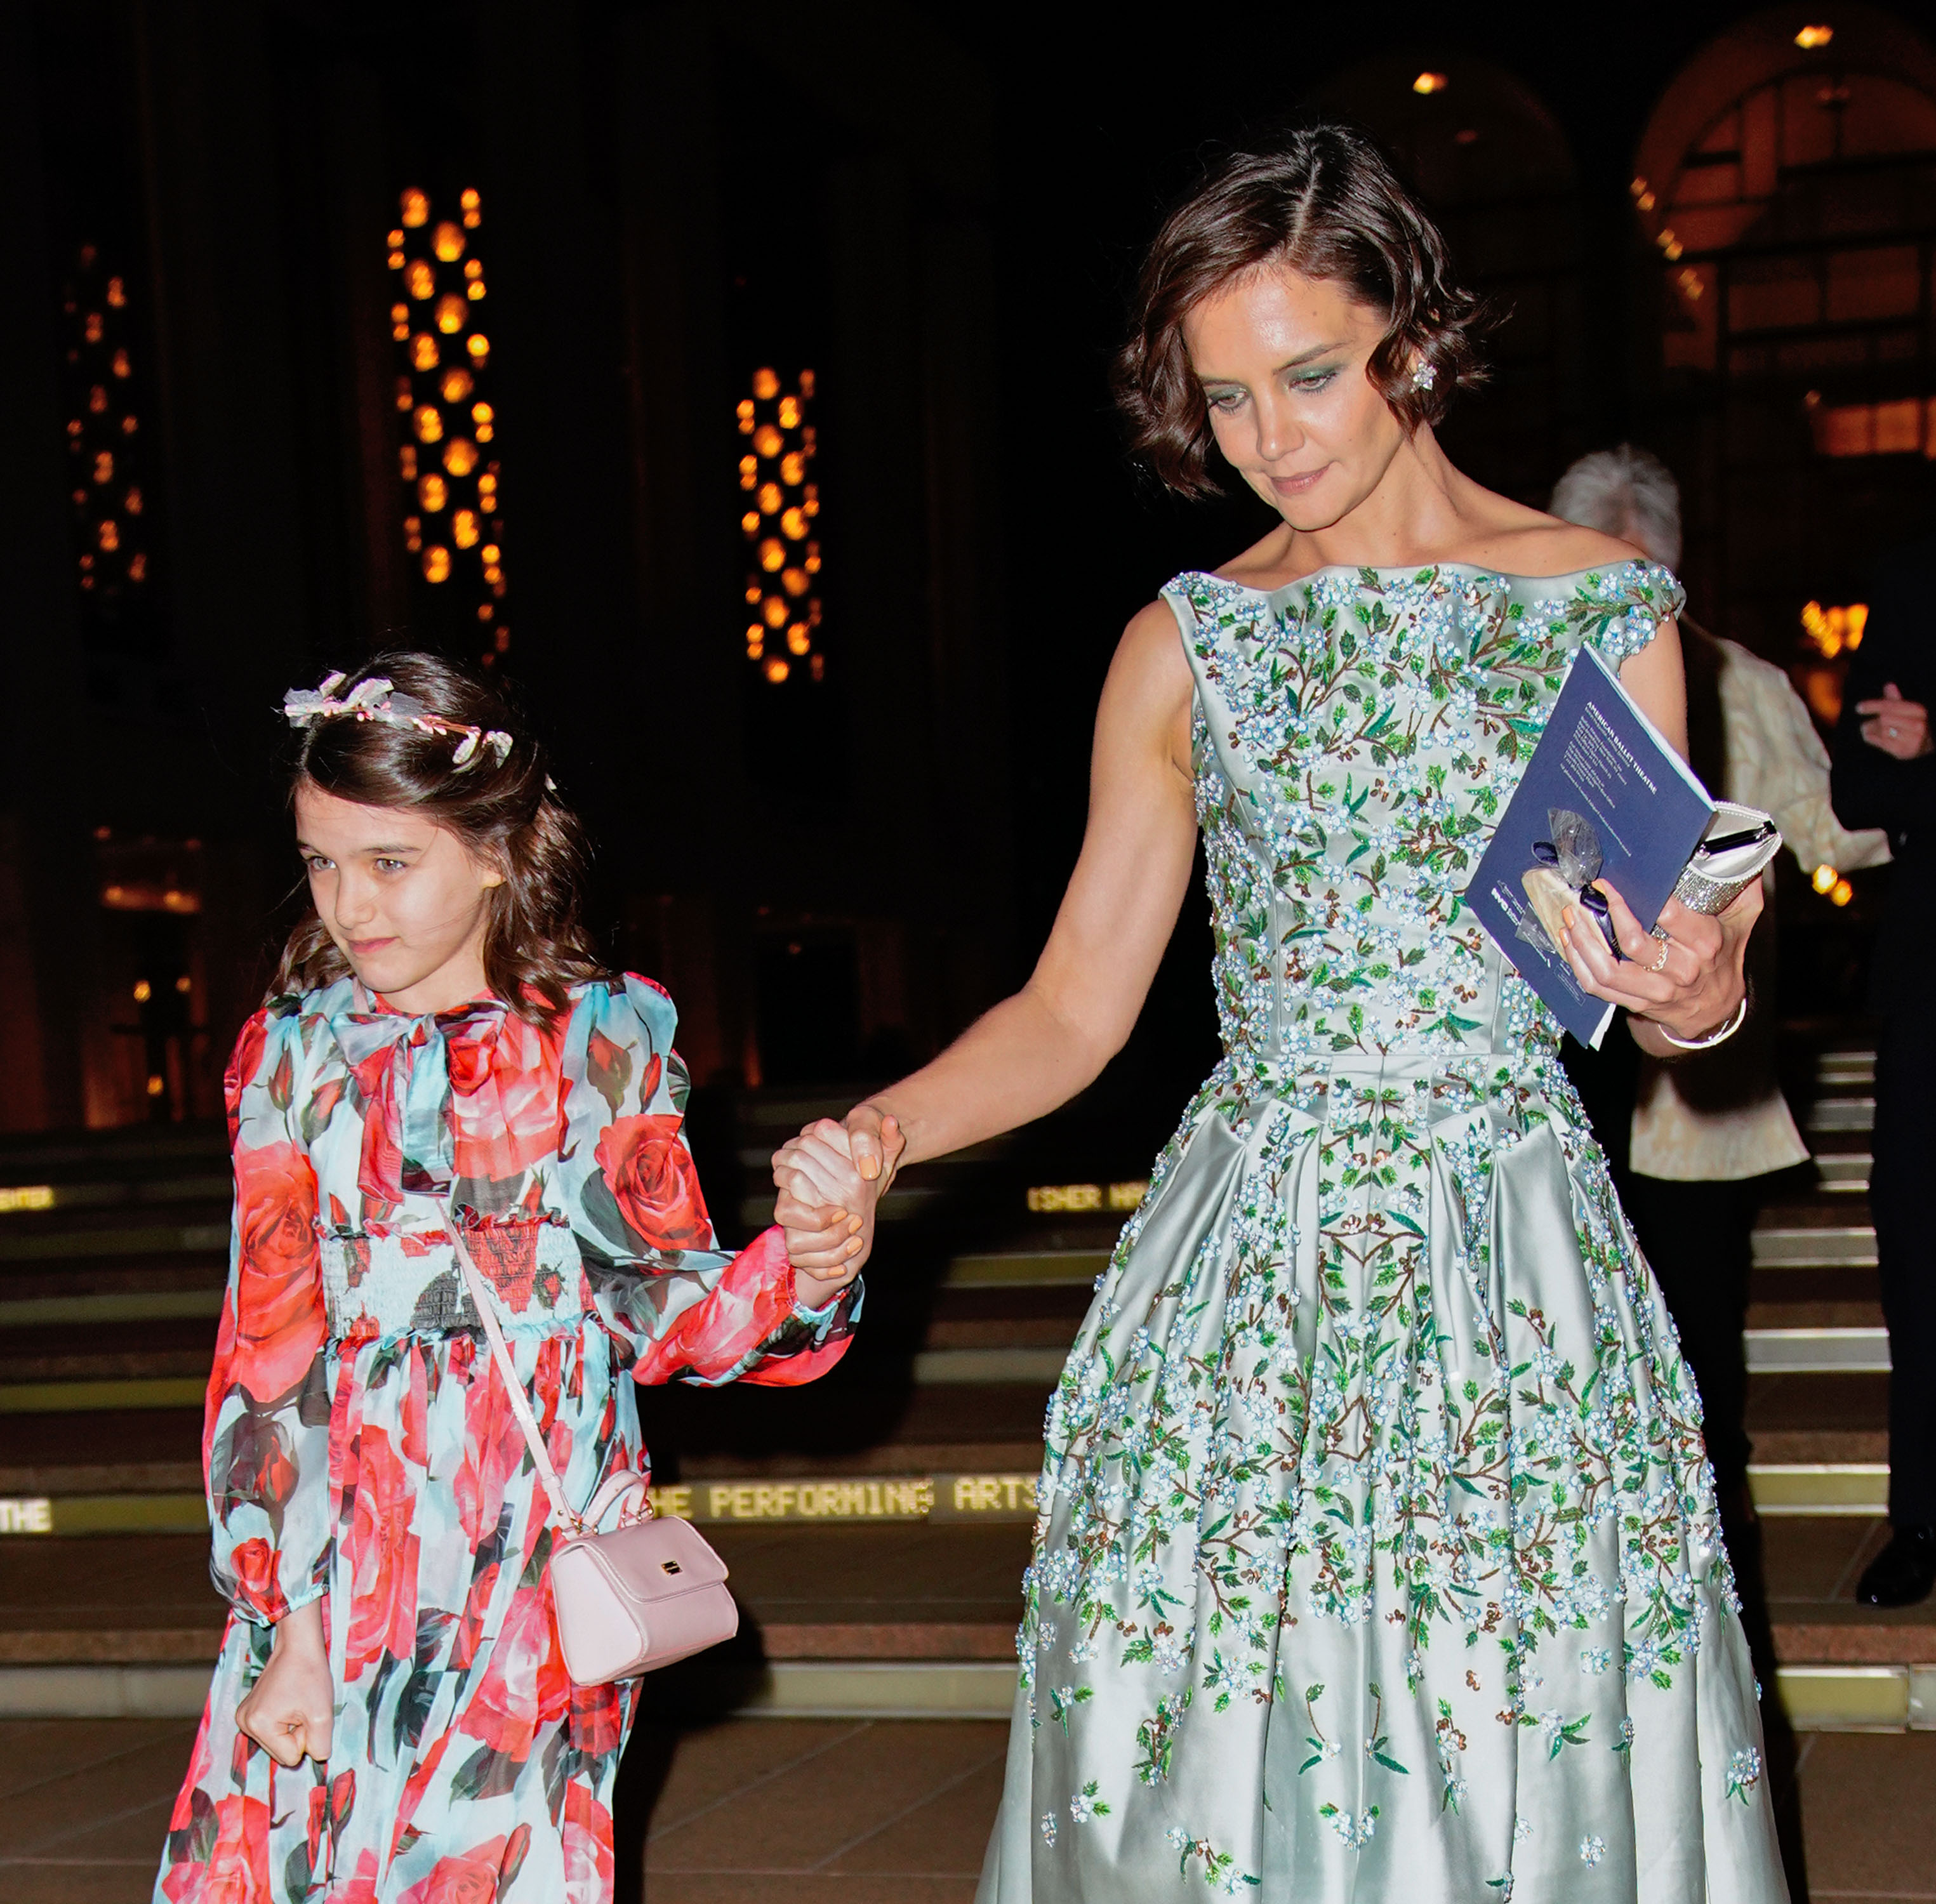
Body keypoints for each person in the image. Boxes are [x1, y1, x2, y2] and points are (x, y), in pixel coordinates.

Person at [772, 128, 1784, 1901]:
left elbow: (1663, 977)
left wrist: (1702, 992)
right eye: (1224, 399)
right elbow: (1078, 1004)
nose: (1270, 438)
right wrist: (882, 1130)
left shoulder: (1602, 606)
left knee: (1503, 1732)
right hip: (1250, 1272)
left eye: (1308, 376)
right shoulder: (1186, 645)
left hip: (1511, 1263)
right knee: (1223, 1751)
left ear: (1412, 334)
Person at [153, 655, 864, 1903]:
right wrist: (290, 1625)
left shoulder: (606, 1036)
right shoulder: (297, 1056)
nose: (348, 906)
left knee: (494, 1870)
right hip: (349, 1547)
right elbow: (269, 1349)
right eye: (321, 862)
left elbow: (658, 1297)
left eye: (388, 863)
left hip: (533, 1549)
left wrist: (806, 1270)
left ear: (495, 850)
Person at [1551, 446, 1890, 1521]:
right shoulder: (1512, 691)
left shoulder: (1739, 683)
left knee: (1695, 1387)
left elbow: (1836, 825)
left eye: (1635, 571)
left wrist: (1901, 763)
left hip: (1687, 1103)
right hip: (1541, 1089)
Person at [1829, 532, 1936, 1608]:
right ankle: (1921, 1517)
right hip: (1925, 968)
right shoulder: (1909, 573)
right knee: (1913, 1240)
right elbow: (1858, 788)